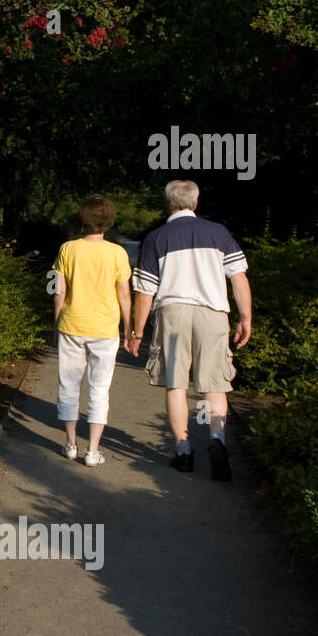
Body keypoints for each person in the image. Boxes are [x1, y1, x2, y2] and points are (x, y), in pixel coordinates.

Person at [125, 180, 252, 480]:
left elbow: (145, 292)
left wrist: (136, 332)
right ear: (195, 204)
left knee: (176, 383)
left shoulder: (155, 238)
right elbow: (239, 278)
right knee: (215, 383)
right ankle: (217, 440)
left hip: (173, 314)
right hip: (213, 313)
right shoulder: (219, 233)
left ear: (168, 205)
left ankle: (183, 452)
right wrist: (245, 317)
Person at [52, 194, 132, 466]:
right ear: (109, 221)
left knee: (69, 384)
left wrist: (56, 322)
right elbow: (124, 296)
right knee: (99, 388)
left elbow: (58, 291)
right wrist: (130, 327)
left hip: (72, 324)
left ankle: (71, 444)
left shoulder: (67, 249)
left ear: (82, 219)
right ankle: (93, 450)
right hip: (105, 328)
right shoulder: (117, 253)